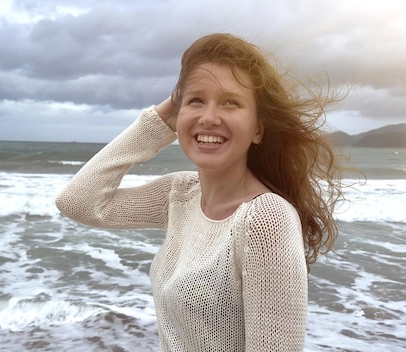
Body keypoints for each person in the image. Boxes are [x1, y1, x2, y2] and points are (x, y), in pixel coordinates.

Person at [56, 33, 344, 351]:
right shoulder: (180, 194)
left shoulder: (266, 219)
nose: (208, 118)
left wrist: (185, 108)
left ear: (258, 129)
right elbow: (77, 201)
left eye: (230, 102)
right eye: (196, 101)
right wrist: (158, 121)